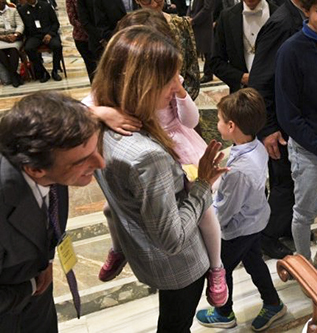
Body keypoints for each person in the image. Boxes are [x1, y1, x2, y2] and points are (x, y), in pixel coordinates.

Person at [92, 26, 227, 332]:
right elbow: (173, 238)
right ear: (142, 83)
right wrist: (203, 183)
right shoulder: (146, 155)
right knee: (175, 324)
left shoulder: (102, 118)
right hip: (179, 266)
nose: (174, 88)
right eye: (168, 81)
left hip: (141, 247)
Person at [0, 91, 104, 333]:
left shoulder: (52, 158)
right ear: (36, 170)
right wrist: (29, 287)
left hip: (37, 294)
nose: (101, 164)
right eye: (83, 160)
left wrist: (46, 259)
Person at [196, 88, 287, 331]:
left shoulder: (238, 172)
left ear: (232, 126)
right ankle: (273, 303)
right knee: (253, 260)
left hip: (237, 229)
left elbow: (226, 210)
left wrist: (205, 215)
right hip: (255, 219)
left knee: (220, 267)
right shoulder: (256, 146)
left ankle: (224, 313)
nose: (217, 123)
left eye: (219, 119)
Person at [275, 0, 317, 261]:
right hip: (307, 146)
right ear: (306, 10)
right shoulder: (290, 50)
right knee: (305, 212)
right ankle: (303, 265)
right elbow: (288, 115)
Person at [248, 0, 305, 260]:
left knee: (293, 180)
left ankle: (283, 227)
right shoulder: (282, 23)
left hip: (294, 118)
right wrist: (268, 128)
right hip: (279, 122)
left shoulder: (300, 17)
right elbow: (260, 80)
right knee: (283, 182)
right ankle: (266, 237)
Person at [126, 6, 201, 99]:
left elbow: (191, 68)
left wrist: (181, 97)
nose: (153, 3)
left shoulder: (179, 24)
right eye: (146, 0)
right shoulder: (131, 26)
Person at [210, 0, 277, 93]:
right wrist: (241, 77)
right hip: (241, 95)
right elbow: (216, 62)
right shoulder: (226, 17)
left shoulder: (280, 14)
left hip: (275, 93)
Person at [18, 0, 64, 82]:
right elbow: (23, 27)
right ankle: (43, 72)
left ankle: (55, 70)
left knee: (57, 46)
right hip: (34, 36)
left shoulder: (46, 6)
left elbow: (55, 23)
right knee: (29, 48)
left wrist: (50, 34)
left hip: (49, 33)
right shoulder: (22, 10)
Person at [66, 0, 97, 82]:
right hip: (82, 38)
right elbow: (72, 18)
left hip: (98, 36)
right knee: (91, 67)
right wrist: (89, 30)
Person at [188, 0, 215, 84]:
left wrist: (194, 20)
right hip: (194, 24)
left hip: (204, 24)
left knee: (207, 50)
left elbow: (207, 8)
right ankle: (193, 75)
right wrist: (187, 17)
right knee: (194, 50)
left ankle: (208, 74)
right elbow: (191, 6)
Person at [0, 0, 24, 87]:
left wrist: (16, 34)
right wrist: (2, 37)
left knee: (13, 49)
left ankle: (12, 74)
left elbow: (20, 24)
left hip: (14, 38)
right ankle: (14, 75)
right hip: (1, 38)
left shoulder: (13, 10)